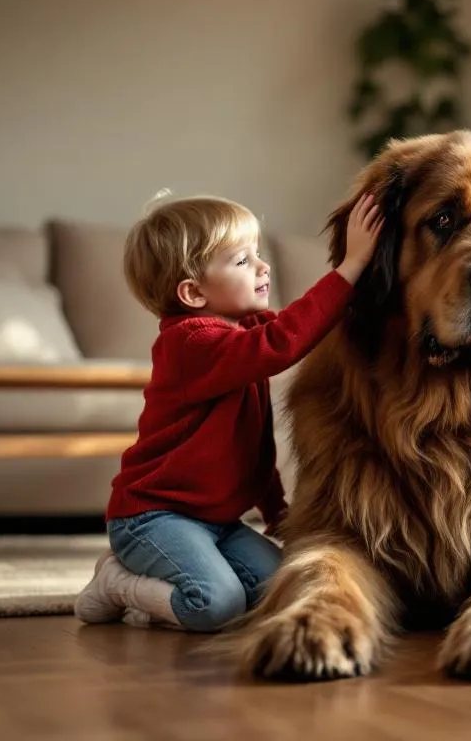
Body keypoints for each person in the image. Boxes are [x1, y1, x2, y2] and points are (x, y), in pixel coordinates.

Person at [73, 191, 384, 632]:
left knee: (285, 591)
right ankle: (117, 582)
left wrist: (280, 514)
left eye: (258, 254)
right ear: (193, 292)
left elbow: (251, 449)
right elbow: (286, 341)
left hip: (217, 523)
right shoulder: (192, 343)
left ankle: (173, 578)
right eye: (242, 261)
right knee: (214, 605)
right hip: (152, 517)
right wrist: (349, 269)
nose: (263, 267)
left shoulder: (244, 337)